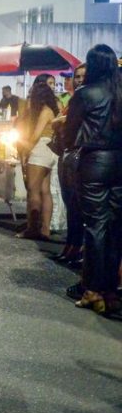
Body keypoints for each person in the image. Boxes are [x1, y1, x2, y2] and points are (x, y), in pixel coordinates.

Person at [62, 44, 122, 315]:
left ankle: (92, 289)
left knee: (95, 226)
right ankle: (110, 289)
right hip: (120, 162)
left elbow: (69, 132)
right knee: (115, 226)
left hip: (95, 162)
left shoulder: (86, 94)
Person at [15, 74, 60, 240]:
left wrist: (26, 151)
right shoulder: (51, 110)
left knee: (33, 191)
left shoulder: (44, 111)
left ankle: (32, 228)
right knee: (45, 191)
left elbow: (35, 136)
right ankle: (45, 230)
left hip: (40, 149)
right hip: (50, 152)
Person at [51, 64, 86, 269]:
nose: (79, 80)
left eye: (83, 76)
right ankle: (71, 245)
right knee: (69, 204)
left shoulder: (87, 98)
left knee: (77, 206)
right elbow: (58, 122)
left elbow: (65, 121)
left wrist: (62, 120)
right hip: (66, 152)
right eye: (77, 76)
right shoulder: (72, 99)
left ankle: (76, 248)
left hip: (78, 154)